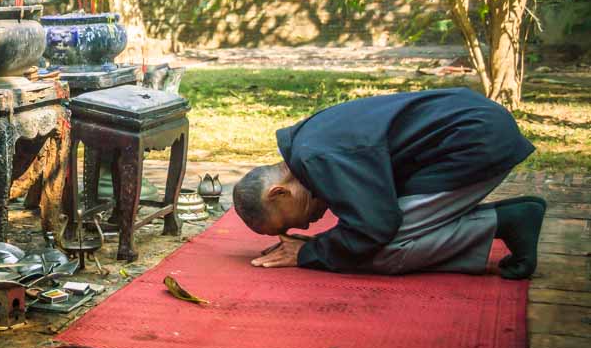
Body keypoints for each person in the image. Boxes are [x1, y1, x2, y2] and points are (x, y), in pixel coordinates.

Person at [232, 88, 545, 279]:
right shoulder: (305, 144)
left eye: (289, 224)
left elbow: (376, 228)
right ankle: (508, 219)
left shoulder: (317, 160)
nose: (308, 223)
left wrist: (308, 253)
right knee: (363, 243)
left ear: (279, 192)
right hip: (475, 126)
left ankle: (506, 222)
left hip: (474, 143)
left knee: (382, 252)